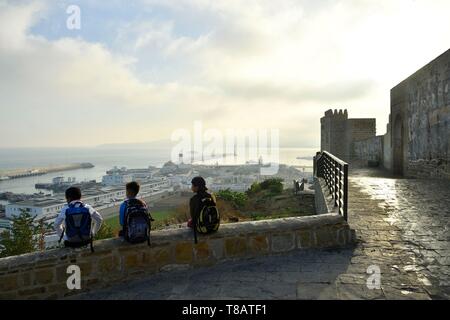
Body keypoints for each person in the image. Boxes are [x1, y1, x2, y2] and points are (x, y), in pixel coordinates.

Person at [188, 176, 220, 243]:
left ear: (197, 187)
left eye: (192, 185)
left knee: (189, 222)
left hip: (201, 228)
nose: (191, 187)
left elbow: (193, 216)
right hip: (214, 226)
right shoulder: (211, 196)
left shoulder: (194, 199)